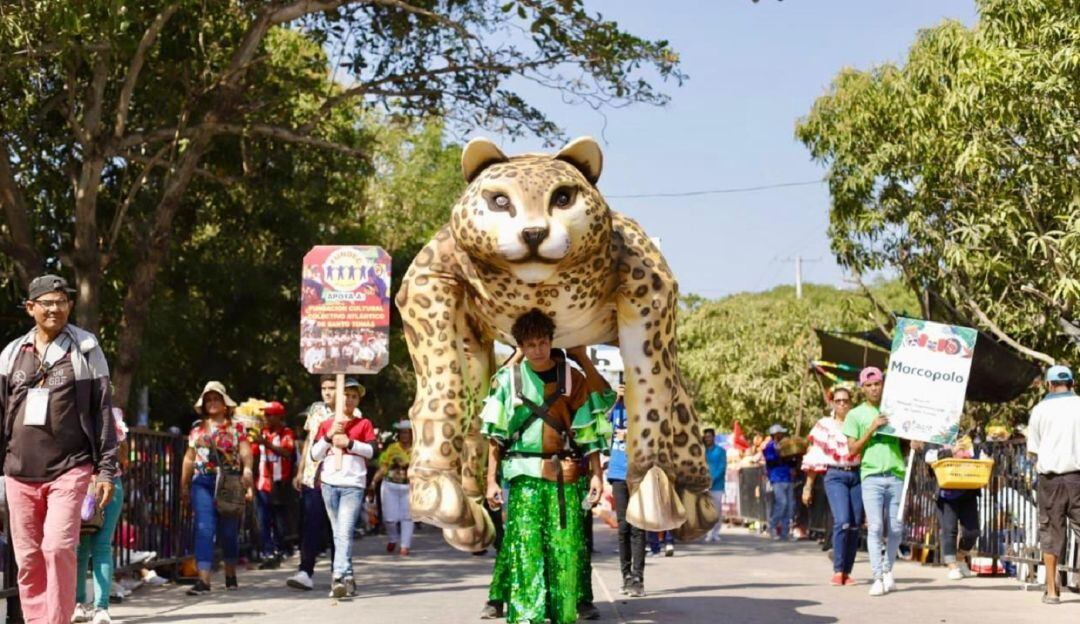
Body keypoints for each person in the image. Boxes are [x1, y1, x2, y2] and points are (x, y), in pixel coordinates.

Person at [479, 310, 614, 624]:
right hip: (523, 475)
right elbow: (495, 436)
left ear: (551, 342)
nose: (537, 349)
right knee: (525, 548)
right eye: (530, 344)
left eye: (542, 342)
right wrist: (491, 480)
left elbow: (588, 430)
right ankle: (527, 617)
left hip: (564, 478)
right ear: (521, 347)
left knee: (565, 549)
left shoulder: (572, 378)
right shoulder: (508, 380)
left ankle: (565, 615)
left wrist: (597, 474)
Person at [0, 274, 119, 624]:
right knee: (28, 557)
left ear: (70, 306)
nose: (54, 308)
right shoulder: (11, 354)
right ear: (30, 308)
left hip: (70, 466)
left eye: (61, 302)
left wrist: (106, 470)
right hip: (19, 471)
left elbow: (102, 410)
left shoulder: (85, 348)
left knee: (57, 546)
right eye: (47, 303)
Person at [843, 366, 921, 597]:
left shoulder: (896, 410)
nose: (874, 388)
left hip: (896, 474)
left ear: (883, 384)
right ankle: (877, 577)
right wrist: (872, 428)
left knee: (896, 529)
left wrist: (914, 442)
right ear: (862, 388)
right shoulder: (855, 415)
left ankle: (887, 569)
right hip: (871, 476)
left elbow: (906, 440)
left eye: (877, 383)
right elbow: (852, 450)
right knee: (875, 527)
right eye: (869, 385)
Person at [181, 381, 254, 596]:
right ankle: (203, 580)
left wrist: (247, 469)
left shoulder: (237, 428)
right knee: (204, 528)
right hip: (202, 481)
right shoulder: (197, 430)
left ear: (225, 404)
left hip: (230, 482)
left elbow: (245, 451)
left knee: (229, 531)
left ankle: (230, 573)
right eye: (208, 400)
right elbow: (189, 458)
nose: (212, 403)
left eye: (216, 399)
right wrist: (183, 485)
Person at [309, 378, 376, 599]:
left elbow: (372, 451)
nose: (349, 400)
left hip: (353, 484)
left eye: (354, 396)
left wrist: (350, 443)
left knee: (345, 531)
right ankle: (348, 576)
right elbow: (314, 455)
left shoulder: (364, 424)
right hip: (329, 483)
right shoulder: (326, 425)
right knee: (338, 533)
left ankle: (337, 576)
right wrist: (329, 436)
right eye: (346, 395)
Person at [1026, 365, 1080, 605]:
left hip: (1050, 480)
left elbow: (1033, 449)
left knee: (1050, 533)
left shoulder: (1039, 410)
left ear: (1049, 384)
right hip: (1078, 477)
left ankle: (1052, 591)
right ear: (1072, 383)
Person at [71, 408, 129, 624]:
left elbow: (123, 456)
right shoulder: (73, 411)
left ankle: (100, 607)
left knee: (100, 545)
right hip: (82, 485)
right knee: (82, 546)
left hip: (109, 484)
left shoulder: (113, 415)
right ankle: (80, 604)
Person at [801, 384, 862, 586]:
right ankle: (838, 569)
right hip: (835, 475)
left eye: (845, 400)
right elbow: (815, 456)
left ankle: (847, 571)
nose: (842, 404)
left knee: (855, 524)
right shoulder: (825, 425)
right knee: (842, 520)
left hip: (857, 474)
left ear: (851, 403)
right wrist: (808, 486)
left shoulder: (859, 422)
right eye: (838, 401)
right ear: (832, 403)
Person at [287, 375, 337, 590]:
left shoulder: (350, 411)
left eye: (332, 387)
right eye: (324, 388)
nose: (327, 392)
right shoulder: (316, 409)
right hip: (313, 475)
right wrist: (300, 471)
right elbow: (309, 440)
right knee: (310, 525)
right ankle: (305, 571)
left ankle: (340, 573)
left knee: (336, 528)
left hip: (337, 476)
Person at [605, 384, 646, 596]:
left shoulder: (643, 408)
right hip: (618, 472)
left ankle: (638, 578)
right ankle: (626, 576)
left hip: (638, 474)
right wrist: (615, 400)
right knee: (623, 527)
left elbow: (651, 435)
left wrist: (629, 435)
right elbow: (600, 424)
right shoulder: (616, 408)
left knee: (637, 526)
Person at [925, 435, 980, 581]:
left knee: (972, 532)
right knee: (950, 530)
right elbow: (929, 458)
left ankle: (960, 558)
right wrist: (952, 450)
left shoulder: (968, 439)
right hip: (946, 494)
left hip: (968, 490)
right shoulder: (936, 440)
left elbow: (978, 457)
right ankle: (952, 566)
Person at [253, 401, 296, 569]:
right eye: (265, 415)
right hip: (262, 483)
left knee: (279, 519)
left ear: (279, 417)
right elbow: (254, 452)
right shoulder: (261, 433)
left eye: (269, 415)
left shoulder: (286, 433)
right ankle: (267, 551)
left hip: (280, 483)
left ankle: (280, 548)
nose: (266, 418)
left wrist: (268, 444)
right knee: (263, 519)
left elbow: (287, 452)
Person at [370, 420, 415, 556]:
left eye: (407, 433)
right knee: (390, 519)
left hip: (409, 487)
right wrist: (374, 481)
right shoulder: (392, 448)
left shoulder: (418, 449)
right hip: (390, 486)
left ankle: (405, 546)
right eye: (402, 433)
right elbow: (383, 467)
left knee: (408, 517)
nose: (405, 435)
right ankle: (393, 538)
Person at [763, 424, 798, 540]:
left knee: (789, 506)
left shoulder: (786, 445)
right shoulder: (770, 447)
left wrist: (793, 459)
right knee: (782, 503)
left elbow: (791, 461)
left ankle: (785, 532)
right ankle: (771, 527)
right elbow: (770, 460)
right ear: (775, 435)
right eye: (780, 433)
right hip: (777, 478)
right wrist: (780, 453)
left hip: (788, 478)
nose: (782, 435)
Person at [704, 428, 728, 543]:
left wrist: (712, 480)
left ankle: (716, 532)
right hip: (704, 485)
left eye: (709, 436)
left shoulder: (720, 451)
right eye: (706, 437)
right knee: (708, 511)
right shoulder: (702, 451)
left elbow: (722, 467)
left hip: (717, 485)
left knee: (717, 511)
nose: (707, 439)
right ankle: (709, 532)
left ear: (714, 437)